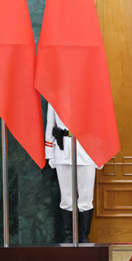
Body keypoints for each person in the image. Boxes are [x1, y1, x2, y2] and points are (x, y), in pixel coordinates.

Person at [45, 103, 98, 243]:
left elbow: (100, 126)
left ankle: (84, 238)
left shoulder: (90, 96)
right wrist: (50, 154)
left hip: (87, 151)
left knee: (86, 198)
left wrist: (100, 155)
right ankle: (69, 238)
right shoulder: (55, 97)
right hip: (63, 151)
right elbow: (50, 125)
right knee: (66, 198)